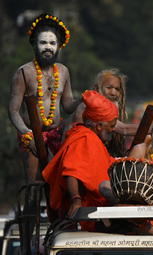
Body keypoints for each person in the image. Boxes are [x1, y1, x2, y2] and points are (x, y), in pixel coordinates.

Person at [7, 13, 81, 253]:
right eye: (43, 42)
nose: (47, 47)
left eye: (52, 43)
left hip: (56, 136)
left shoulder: (64, 71)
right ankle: (29, 243)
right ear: (34, 44)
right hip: (31, 137)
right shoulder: (24, 72)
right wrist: (27, 135)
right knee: (34, 188)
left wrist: (87, 101)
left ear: (59, 46)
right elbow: (13, 110)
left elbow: (68, 105)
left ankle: (60, 238)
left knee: (59, 188)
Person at [42, 90, 118, 231]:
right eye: (112, 125)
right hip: (84, 209)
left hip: (98, 208)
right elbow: (71, 171)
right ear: (99, 126)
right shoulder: (84, 138)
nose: (114, 129)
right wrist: (76, 199)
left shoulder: (92, 139)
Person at [100, 114, 153, 235]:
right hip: (141, 210)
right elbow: (127, 184)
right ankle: (140, 225)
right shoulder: (140, 150)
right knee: (104, 185)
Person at [61, 68, 141, 157]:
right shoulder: (88, 106)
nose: (113, 93)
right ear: (97, 88)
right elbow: (124, 129)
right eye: (109, 88)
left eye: (117, 89)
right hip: (73, 154)